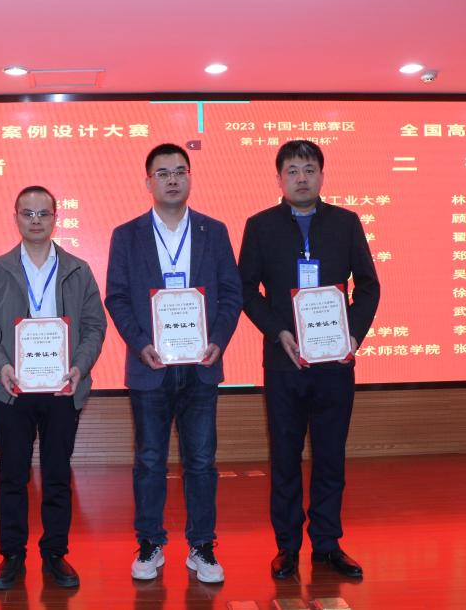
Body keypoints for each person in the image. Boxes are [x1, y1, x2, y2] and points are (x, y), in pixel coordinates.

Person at [238, 139, 380, 580]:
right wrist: (278, 331)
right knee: (285, 457)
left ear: (322, 175)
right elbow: (246, 290)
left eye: (309, 169)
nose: (302, 178)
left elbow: (369, 286)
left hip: (335, 363)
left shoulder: (346, 223)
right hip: (284, 362)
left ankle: (327, 543)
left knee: (330, 455)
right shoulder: (260, 226)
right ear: (279, 179)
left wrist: (351, 335)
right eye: (293, 171)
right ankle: (286, 546)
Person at [104, 143, 242, 583]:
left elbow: (232, 292)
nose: (172, 179)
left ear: (190, 177)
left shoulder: (213, 231)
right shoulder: (126, 235)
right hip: (151, 366)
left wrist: (218, 340)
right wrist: (140, 343)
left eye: (180, 171)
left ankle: (202, 545)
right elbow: (117, 297)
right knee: (149, 460)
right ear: (148, 182)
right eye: (162, 173)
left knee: (201, 461)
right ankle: (150, 543)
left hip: (201, 365)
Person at [0, 186, 107, 590]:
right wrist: (2, 365)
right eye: (27, 213)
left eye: (43, 213)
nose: (35, 221)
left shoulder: (78, 269)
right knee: (12, 474)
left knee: (57, 474)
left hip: (63, 388)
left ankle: (55, 553)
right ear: (15, 217)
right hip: (12, 388)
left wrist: (80, 366)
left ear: (55, 218)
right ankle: (12, 554)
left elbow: (94, 326)